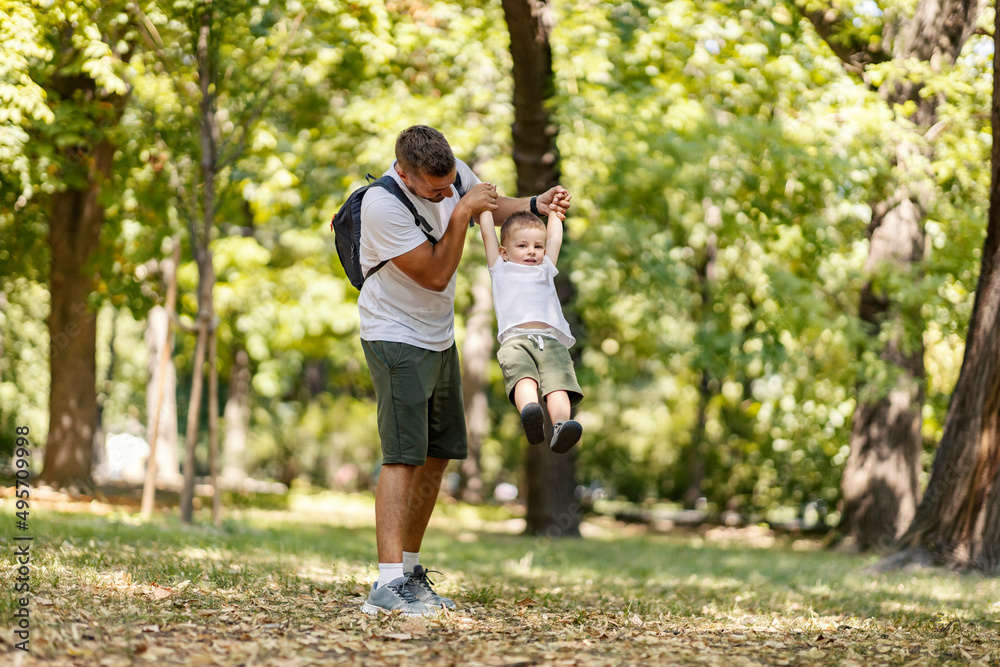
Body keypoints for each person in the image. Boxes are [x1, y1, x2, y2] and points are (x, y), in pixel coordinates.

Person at [356, 125, 570, 616]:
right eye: (436, 189)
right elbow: (436, 274)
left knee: (437, 454)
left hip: (438, 336)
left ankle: (410, 573)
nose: (447, 192)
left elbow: (492, 204)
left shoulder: (452, 178)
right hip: (394, 335)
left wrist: (537, 204)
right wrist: (461, 214)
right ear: (406, 176)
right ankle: (386, 585)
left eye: (452, 183)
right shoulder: (381, 206)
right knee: (403, 456)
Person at [476, 199, 583, 455]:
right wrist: (484, 208)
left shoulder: (545, 268)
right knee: (524, 377)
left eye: (537, 246)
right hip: (516, 340)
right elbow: (488, 233)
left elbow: (555, 240)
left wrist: (555, 214)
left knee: (559, 385)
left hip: (551, 340)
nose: (531, 251)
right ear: (504, 252)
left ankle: (560, 427)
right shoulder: (500, 269)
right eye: (522, 246)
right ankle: (530, 412)